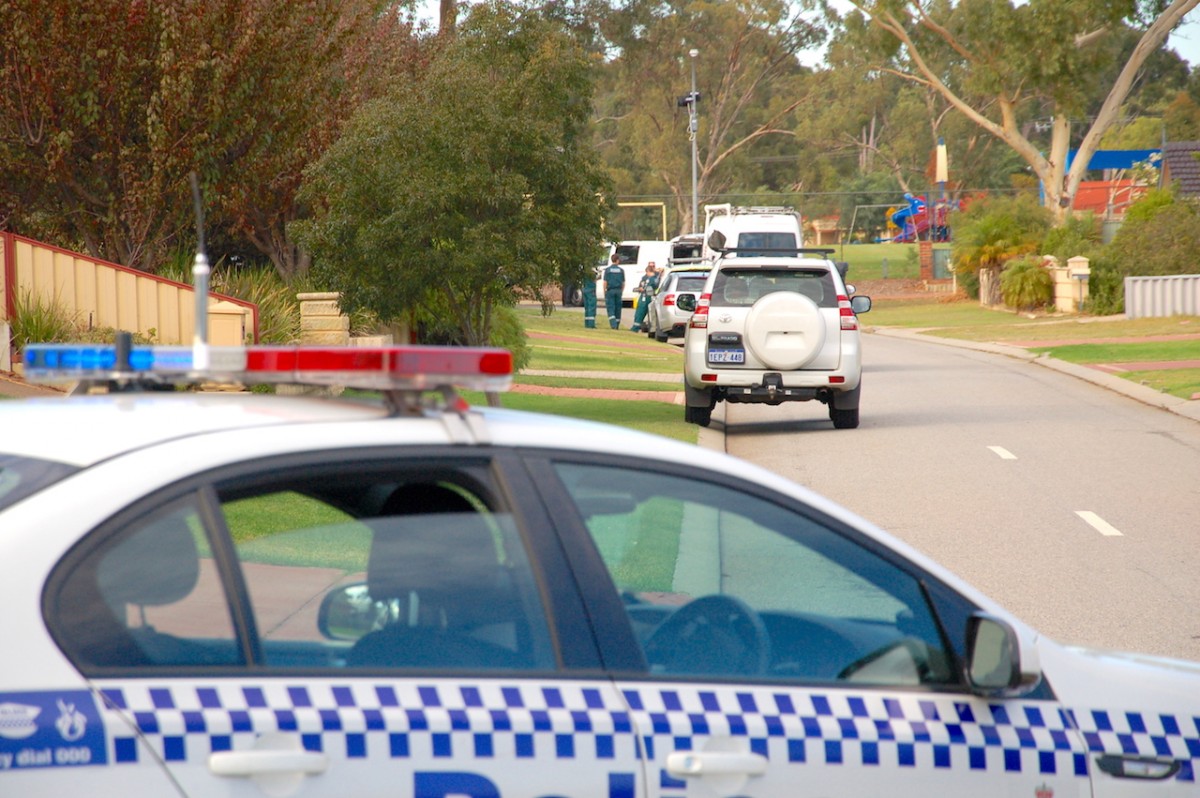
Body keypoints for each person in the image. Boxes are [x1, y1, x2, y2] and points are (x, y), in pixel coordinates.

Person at [630, 262, 660, 332]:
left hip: (646, 297)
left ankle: (635, 327)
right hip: (651, 298)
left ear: (648, 271)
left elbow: (648, 289)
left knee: (640, 313)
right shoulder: (656, 278)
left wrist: (642, 289)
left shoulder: (650, 279)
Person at [602, 254, 626, 330]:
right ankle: (617, 324)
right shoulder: (621, 270)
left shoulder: (608, 270)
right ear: (617, 260)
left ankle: (613, 324)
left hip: (610, 290)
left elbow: (605, 282)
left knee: (610, 307)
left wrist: (604, 291)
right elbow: (623, 283)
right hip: (618, 290)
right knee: (618, 308)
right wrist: (621, 291)